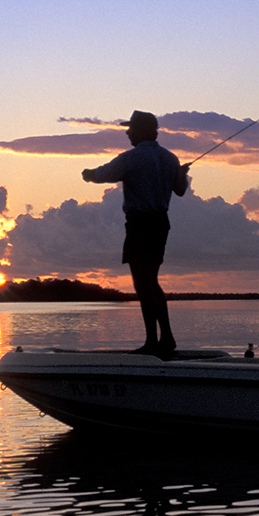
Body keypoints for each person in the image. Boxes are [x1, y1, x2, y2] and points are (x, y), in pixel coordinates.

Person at [83, 110, 190, 355]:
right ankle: (167, 339)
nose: (127, 131)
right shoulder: (171, 158)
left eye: (131, 128)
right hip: (161, 224)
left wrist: (89, 175)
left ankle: (153, 342)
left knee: (143, 284)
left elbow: (104, 175)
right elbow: (181, 190)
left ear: (142, 131)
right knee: (151, 281)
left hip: (140, 223)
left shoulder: (132, 158)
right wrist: (182, 173)